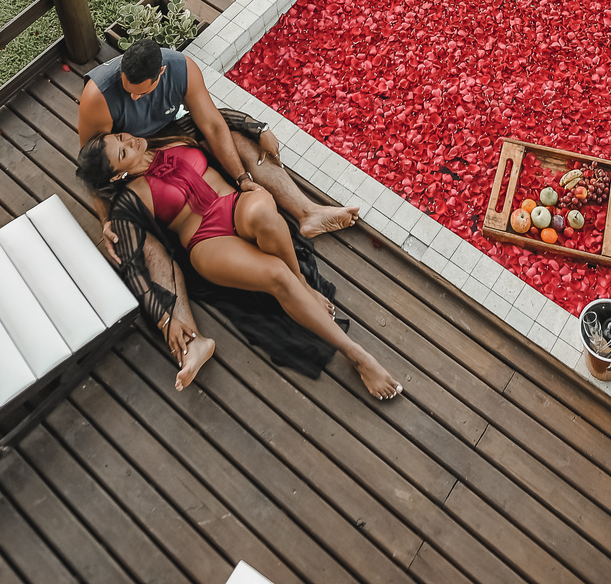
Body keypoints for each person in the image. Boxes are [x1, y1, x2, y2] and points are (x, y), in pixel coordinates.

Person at [77, 37, 360, 387]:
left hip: (174, 148)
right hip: (149, 190)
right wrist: (106, 221)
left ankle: (307, 212)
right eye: (128, 91)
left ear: (161, 74)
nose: (133, 99)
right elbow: (94, 163)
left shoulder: (181, 73)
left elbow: (212, 122)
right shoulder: (99, 102)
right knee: (143, 244)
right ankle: (188, 342)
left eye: (141, 92)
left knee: (236, 139)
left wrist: (255, 136)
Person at [76, 130, 402, 401]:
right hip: (206, 242)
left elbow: (220, 122)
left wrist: (259, 128)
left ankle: (303, 283)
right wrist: (164, 317)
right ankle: (357, 355)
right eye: (122, 152)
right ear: (119, 174)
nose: (130, 141)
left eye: (122, 137)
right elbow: (135, 266)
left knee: (263, 212)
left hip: (235, 205)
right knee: (276, 275)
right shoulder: (128, 202)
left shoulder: (170, 137)